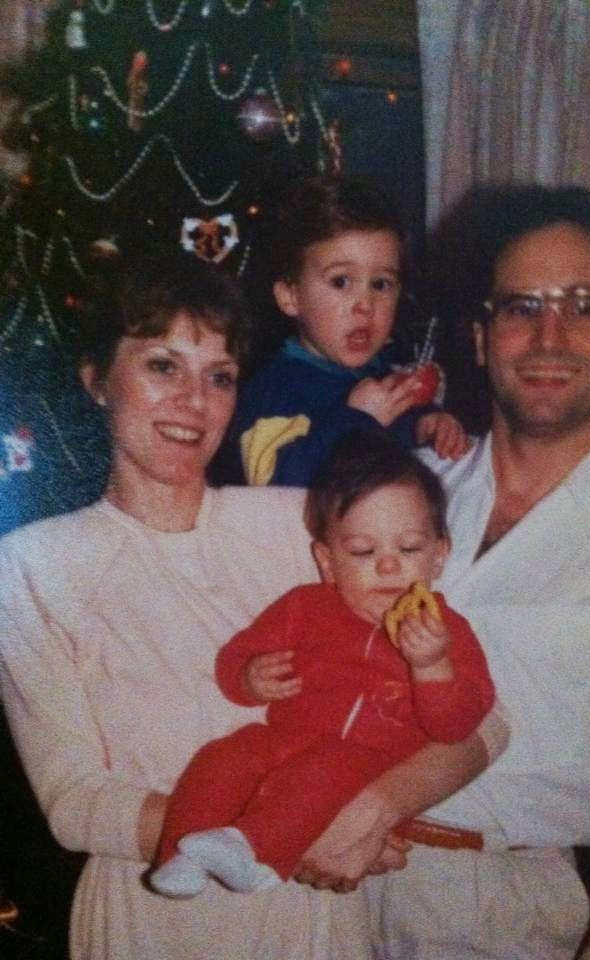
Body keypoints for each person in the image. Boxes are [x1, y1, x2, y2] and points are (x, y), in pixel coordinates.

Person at [0, 247, 507, 960]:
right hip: (149, 926)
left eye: (220, 376)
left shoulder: (305, 525)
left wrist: (377, 806)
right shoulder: (32, 567)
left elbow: (488, 720)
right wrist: (280, 830)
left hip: (313, 924)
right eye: (161, 365)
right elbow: (75, 802)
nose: (193, 401)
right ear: (97, 381)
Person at [358, 185, 590, 960]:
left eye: (585, 306)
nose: (549, 334)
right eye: (522, 306)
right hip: (335, 876)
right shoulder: (403, 493)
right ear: (482, 337)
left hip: (497, 910)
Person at [150, 433, 496, 898]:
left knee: (324, 771)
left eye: (409, 549)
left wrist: (432, 666)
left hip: (370, 769)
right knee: (225, 756)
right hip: (285, 738)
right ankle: (179, 855)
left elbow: (457, 726)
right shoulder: (304, 607)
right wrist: (249, 676)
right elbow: (235, 658)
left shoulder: (448, 632)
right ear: (327, 561)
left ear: (439, 554)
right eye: (363, 552)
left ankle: (255, 854)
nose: (389, 567)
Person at [211, 174, 469, 487]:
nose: (365, 305)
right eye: (341, 281)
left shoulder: (379, 371)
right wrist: (359, 420)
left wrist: (425, 425)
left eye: (381, 284)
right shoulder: (276, 391)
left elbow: (395, 426)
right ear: (290, 297)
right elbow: (278, 482)